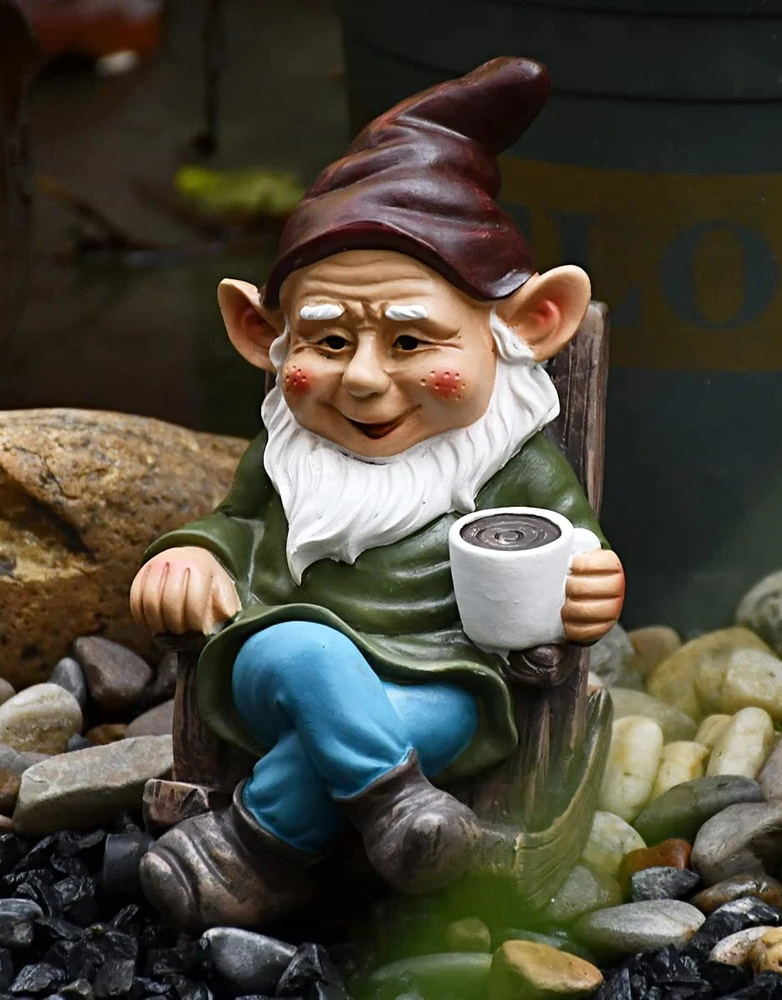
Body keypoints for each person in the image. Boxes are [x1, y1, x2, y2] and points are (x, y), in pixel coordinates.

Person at [133, 56, 625, 930]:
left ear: (528, 325)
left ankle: (257, 847)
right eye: (327, 342)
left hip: (441, 677)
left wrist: (590, 585)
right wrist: (191, 556)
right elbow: (235, 523)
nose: (361, 380)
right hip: (277, 659)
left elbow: (574, 546)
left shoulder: (510, 461)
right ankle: (397, 808)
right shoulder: (290, 454)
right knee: (309, 654)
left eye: (408, 342)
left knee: (418, 715)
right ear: (262, 334)